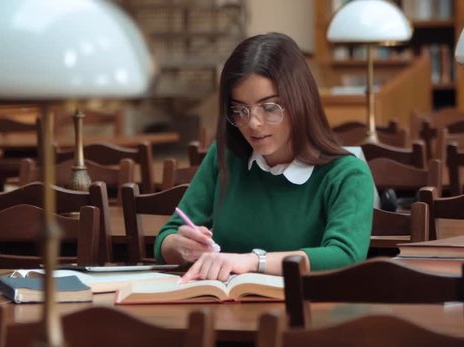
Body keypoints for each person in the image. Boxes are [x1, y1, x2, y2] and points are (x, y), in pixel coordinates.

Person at [155, 32, 375, 282]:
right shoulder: (225, 156)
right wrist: (180, 246)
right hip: (225, 310)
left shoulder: (347, 175)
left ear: (300, 102)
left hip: (309, 312)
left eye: (270, 108)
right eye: (240, 110)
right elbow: (167, 237)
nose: (253, 123)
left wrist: (252, 261)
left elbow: (345, 256)